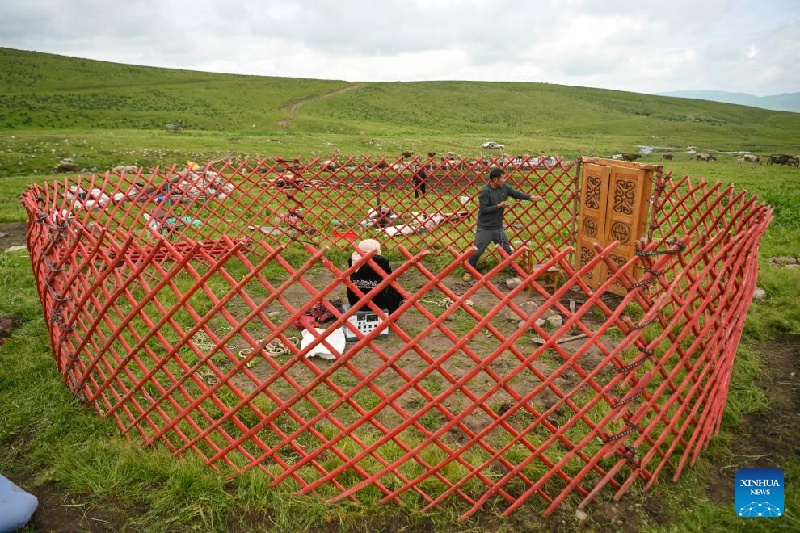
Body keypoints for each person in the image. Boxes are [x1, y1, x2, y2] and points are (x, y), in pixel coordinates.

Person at [463, 167, 542, 281]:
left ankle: (515, 272)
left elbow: (516, 194)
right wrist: (499, 206)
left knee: (507, 251)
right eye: (503, 178)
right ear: (495, 180)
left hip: (498, 227)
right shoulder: (485, 192)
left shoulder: (504, 188)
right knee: (477, 251)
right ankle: (468, 271)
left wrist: (530, 197)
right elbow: (483, 209)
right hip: (485, 228)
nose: (505, 180)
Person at [347, 239, 404, 313]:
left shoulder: (352, 259)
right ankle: (393, 311)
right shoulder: (380, 260)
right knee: (396, 289)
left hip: (355, 300)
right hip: (379, 301)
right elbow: (391, 281)